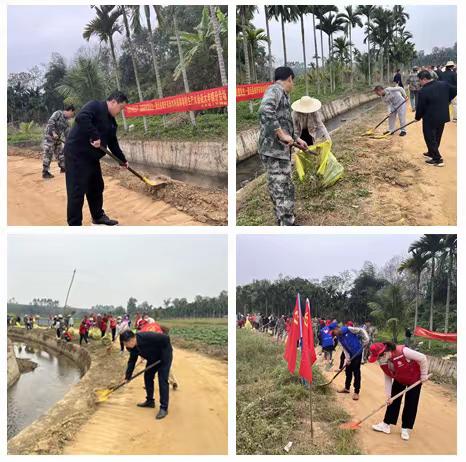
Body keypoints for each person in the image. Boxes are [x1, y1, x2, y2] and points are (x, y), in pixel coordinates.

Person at [64, 91, 129, 226]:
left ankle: (98, 216)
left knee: (96, 186)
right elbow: (81, 118)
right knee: (77, 190)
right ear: (113, 102)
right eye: (121, 108)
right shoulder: (95, 106)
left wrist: (122, 160)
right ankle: (74, 224)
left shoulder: (112, 123)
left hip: (91, 158)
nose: (120, 111)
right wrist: (94, 135)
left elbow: (113, 143)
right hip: (77, 155)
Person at [258, 67, 308, 226]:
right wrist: (281, 134)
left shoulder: (283, 96)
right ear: (289, 79)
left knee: (286, 187)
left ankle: (286, 220)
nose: (292, 85)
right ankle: (286, 224)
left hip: (281, 152)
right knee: (280, 189)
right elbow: (265, 110)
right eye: (292, 81)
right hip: (274, 152)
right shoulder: (275, 90)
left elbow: (283, 123)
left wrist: (296, 139)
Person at [368, 341, 429, 441]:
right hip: (399, 379)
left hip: (414, 379)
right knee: (393, 401)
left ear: (385, 351)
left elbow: (422, 358)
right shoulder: (383, 361)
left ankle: (405, 428)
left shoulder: (403, 351)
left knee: (411, 403)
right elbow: (387, 376)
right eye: (377, 358)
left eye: (379, 356)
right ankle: (386, 424)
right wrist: (389, 396)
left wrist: (423, 375)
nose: (379, 359)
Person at [120, 330, 173, 420]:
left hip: (164, 355)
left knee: (162, 379)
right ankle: (150, 401)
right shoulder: (131, 347)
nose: (126, 346)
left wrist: (164, 357)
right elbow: (132, 361)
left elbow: (166, 339)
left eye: (126, 343)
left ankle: (164, 408)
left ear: (132, 339)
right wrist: (127, 377)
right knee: (148, 376)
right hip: (153, 357)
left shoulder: (147, 337)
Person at [415, 70, 456, 167]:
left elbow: (421, 107)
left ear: (424, 79)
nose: (419, 82)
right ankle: (431, 152)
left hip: (430, 118)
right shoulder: (444, 84)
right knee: (437, 136)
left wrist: (417, 117)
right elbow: (455, 90)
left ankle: (437, 159)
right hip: (442, 116)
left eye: (419, 80)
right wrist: (447, 99)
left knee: (430, 137)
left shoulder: (423, 91)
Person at [331, 322, 369, 400]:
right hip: (351, 355)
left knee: (356, 372)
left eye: (333, 332)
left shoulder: (348, 329)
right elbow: (345, 349)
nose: (333, 334)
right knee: (348, 371)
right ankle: (347, 388)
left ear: (336, 328)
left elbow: (361, 330)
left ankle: (356, 392)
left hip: (358, 353)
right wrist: (347, 359)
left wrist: (366, 339)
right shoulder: (339, 337)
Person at [42, 105, 75, 179]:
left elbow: (67, 133)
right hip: (50, 137)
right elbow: (50, 122)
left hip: (57, 139)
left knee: (61, 153)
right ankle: (45, 172)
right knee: (48, 153)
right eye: (72, 114)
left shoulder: (66, 122)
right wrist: (53, 133)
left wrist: (70, 142)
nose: (72, 116)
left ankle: (63, 168)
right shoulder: (58, 113)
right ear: (70, 110)